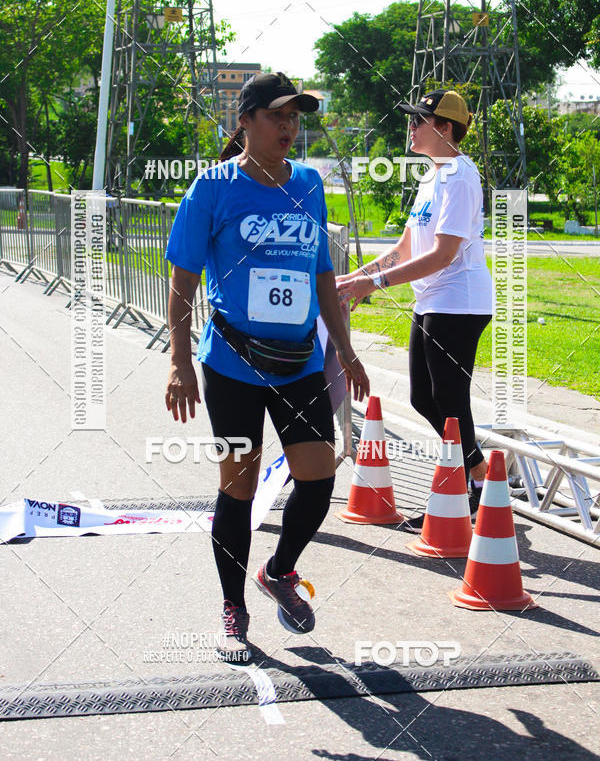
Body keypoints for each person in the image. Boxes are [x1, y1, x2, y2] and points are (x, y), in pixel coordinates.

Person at [164, 71, 369, 663]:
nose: (289, 127)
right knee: (239, 486)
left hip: (299, 362)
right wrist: (178, 363)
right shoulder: (212, 188)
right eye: (277, 115)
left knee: (318, 479)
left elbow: (322, 276)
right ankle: (234, 608)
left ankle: (278, 570)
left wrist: (348, 353)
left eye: (295, 117)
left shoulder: (307, 184)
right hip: (231, 366)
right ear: (245, 122)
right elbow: (182, 284)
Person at [337, 89, 492, 523]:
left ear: (444, 129)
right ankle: (478, 473)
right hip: (433, 300)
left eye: (419, 120)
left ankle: (463, 497)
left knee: (450, 399)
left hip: (458, 301)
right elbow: (405, 248)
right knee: (424, 397)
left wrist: (376, 283)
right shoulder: (431, 178)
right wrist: (352, 278)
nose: (411, 127)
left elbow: (443, 254)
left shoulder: (461, 176)